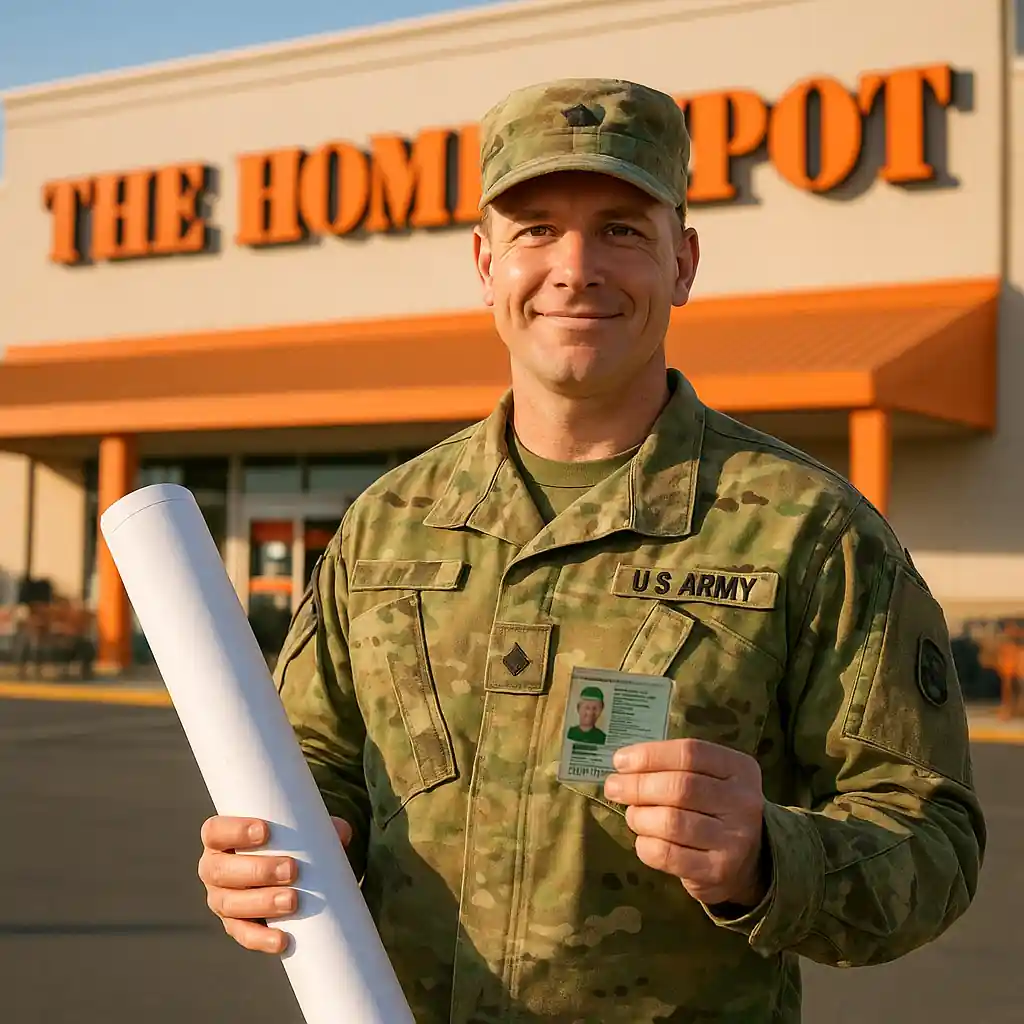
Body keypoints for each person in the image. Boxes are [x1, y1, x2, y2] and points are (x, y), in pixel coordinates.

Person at [198, 78, 986, 1022]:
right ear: (485, 265)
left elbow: (932, 839)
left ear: (683, 263)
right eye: (536, 230)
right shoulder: (386, 525)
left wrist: (767, 857)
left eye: (620, 228)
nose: (575, 268)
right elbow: (312, 760)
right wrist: (270, 847)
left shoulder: (810, 533)